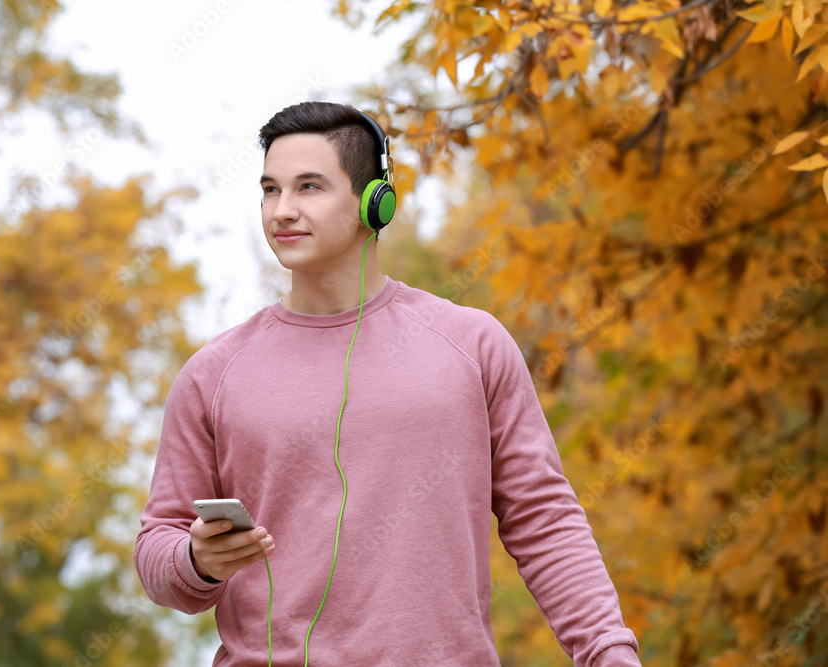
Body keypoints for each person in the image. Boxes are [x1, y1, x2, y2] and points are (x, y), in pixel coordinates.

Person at [133, 101, 643, 666]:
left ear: (374, 202)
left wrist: (608, 652)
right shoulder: (212, 374)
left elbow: (544, 519)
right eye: (270, 190)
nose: (282, 210)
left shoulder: (472, 345)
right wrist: (196, 561)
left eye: (309, 187)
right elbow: (157, 552)